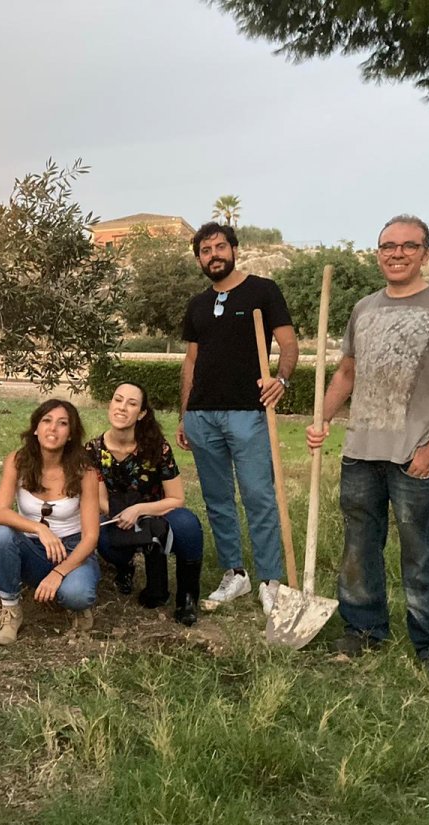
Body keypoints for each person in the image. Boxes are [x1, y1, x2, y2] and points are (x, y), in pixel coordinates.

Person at [307, 215, 429, 671]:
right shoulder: (364, 308)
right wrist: (321, 419)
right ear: (378, 253)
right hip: (360, 453)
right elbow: (346, 373)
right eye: (388, 246)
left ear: (426, 253)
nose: (397, 253)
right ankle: (363, 628)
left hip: (414, 455)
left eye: (408, 246)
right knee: (358, 548)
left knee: (422, 553)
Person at [177, 221, 298, 614]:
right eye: (205, 251)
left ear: (234, 249)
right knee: (217, 499)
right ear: (199, 259)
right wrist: (184, 414)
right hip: (202, 416)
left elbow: (289, 344)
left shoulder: (263, 291)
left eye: (219, 247)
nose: (213, 255)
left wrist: (281, 380)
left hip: (248, 411)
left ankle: (270, 579)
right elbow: (191, 362)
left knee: (258, 496)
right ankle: (236, 574)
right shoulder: (197, 304)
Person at [86, 382, 203, 626]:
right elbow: (100, 501)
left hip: (156, 514)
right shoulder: (93, 450)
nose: (122, 407)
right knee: (101, 536)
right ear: (109, 405)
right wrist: (123, 516)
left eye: (131, 404)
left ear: (141, 414)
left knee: (188, 525)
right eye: (118, 400)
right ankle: (125, 567)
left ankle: (187, 598)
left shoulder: (157, 447)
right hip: (116, 517)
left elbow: (176, 498)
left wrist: (138, 511)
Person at [0, 399, 102, 646]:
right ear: (36, 429)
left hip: (72, 550)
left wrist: (59, 572)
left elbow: (91, 537)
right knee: (1, 536)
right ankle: (11, 610)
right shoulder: (18, 461)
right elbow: (0, 512)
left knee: (77, 595)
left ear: (70, 434)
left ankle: (72, 600)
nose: (53, 428)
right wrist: (39, 528)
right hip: (32, 548)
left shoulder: (85, 472)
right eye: (46, 421)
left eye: (62, 423)